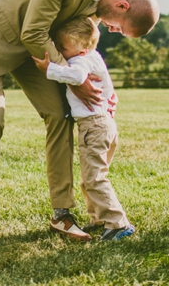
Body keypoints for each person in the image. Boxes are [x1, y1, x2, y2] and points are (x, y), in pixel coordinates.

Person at [0, 0, 159, 245]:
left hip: (39, 53)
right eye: (118, 27)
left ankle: (61, 213)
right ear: (122, 5)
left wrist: (105, 92)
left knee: (61, 113)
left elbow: (84, 47)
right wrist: (74, 81)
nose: (112, 30)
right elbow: (33, 31)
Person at [32, 16, 135, 241]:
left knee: (94, 178)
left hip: (93, 126)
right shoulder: (95, 57)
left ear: (81, 49)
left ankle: (118, 223)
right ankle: (98, 217)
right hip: (106, 124)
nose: (59, 50)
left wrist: (49, 69)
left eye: (63, 47)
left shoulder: (79, 62)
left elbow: (77, 77)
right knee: (91, 176)